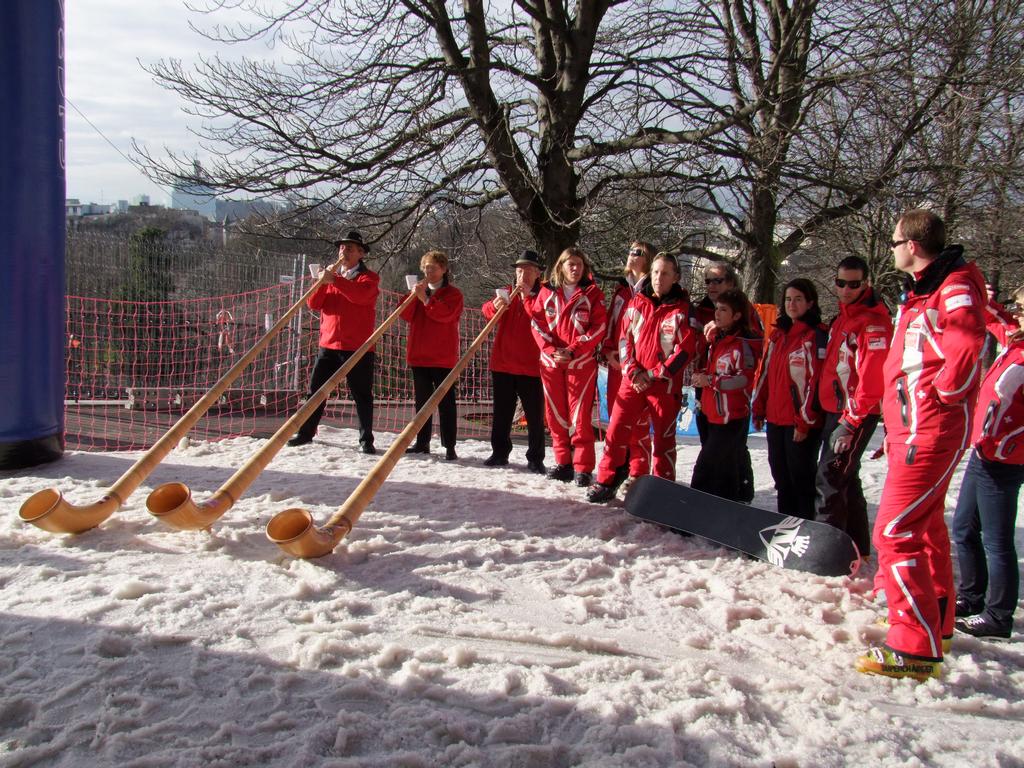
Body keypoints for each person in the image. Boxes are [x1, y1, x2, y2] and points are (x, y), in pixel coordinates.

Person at [855, 209, 987, 681]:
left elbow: (970, 339)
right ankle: (935, 623)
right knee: (926, 527)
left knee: (893, 532)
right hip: (911, 429)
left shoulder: (953, 285)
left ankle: (914, 644)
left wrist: (946, 395)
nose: (891, 250)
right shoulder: (925, 289)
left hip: (929, 430)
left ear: (912, 245)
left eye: (893, 242)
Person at [587, 254, 696, 503]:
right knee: (616, 430)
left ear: (676, 277)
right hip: (633, 380)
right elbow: (625, 340)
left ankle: (662, 490)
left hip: (663, 386)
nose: (659, 278)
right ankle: (606, 480)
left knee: (663, 439)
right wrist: (633, 371)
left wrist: (654, 374)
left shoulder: (683, 309)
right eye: (656, 272)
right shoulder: (637, 302)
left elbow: (685, 350)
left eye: (665, 273)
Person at [950, 289, 1024, 641]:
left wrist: (1007, 441)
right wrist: (985, 299)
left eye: (1023, 308)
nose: (1017, 314)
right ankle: (971, 596)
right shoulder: (1016, 342)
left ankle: (999, 614)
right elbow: (999, 321)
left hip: (1004, 461)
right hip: (983, 452)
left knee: (997, 541)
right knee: (963, 528)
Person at [814, 256, 892, 558]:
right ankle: (857, 543)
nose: (845, 289)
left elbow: (872, 382)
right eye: (841, 282)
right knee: (846, 476)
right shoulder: (845, 317)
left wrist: (851, 421)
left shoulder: (873, 323)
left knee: (829, 476)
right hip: (836, 409)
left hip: (855, 414)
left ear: (866, 283)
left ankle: (827, 550)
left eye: (854, 284)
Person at [288, 230, 380, 453]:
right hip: (329, 343)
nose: (344, 252)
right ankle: (306, 432)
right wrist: (321, 282)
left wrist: (335, 280)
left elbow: (360, 296)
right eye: (341, 248)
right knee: (316, 391)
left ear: (361, 253)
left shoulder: (369, 277)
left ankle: (366, 439)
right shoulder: (332, 277)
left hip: (358, 346)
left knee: (362, 395)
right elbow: (314, 304)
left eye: (349, 248)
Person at [526, 246, 607, 486]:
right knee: (555, 416)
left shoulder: (593, 294)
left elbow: (598, 328)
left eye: (579, 265)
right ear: (560, 266)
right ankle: (563, 463)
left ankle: (582, 467)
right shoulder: (546, 292)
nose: (575, 268)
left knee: (580, 417)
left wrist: (573, 350)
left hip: (580, 363)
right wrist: (551, 350)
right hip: (551, 362)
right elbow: (537, 324)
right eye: (570, 264)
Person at [751, 278, 827, 521]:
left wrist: (804, 422)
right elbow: (765, 374)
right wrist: (759, 407)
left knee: (800, 478)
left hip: (800, 423)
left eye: (798, 299)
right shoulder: (778, 334)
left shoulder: (815, 336)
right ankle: (786, 525)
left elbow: (815, 383)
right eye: (788, 299)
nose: (792, 304)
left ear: (810, 302)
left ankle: (806, 527)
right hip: (775, 417)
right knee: (781, 477)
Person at [693, 262, 760, 500]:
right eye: (708, 281)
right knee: (715, 454)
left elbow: (744, 373)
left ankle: (734, 495)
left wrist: (711, 380)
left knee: (719, 457)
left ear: (731, 283)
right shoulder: (703, 310)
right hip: (708, 401)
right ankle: (724, 496)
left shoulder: (744, 320)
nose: (711, 286)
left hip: (731, 408)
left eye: (717, 281)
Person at [481, 250, 546, 474]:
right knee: (501, 413)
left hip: (532, 365)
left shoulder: (544, 295)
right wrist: (495, 306)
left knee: (535, 415)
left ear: (538, 273)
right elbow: (486, 311)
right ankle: (499, 452)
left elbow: (543, 318)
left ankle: (536, 458)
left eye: (528, 270)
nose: (523, 275)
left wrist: (528, 297)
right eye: (519, 270)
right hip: (503, 363)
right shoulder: (507, 293)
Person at [401, 249, 465, 460]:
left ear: (444, 269)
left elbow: (446, 315)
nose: (429, 271)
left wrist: (426, 299)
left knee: (446, 403)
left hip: (443, 357)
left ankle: (450, 446)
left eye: (434, 268)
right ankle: (422, 442)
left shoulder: (453, 294)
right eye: (426, 267)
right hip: (419, 355)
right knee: (422, 403)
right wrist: (413, 297)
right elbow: (405, 315)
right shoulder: (418, 290)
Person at [600, 241, 654, 483]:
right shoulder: (621, 291)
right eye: (630, 250)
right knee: (616, 421)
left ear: (649, 259)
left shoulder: (652, 291)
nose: (632, 255)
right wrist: (608, 351)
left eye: (638, 252)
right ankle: (619, 469)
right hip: (617, 367)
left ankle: (639, 473)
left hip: (640, 369)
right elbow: (612, 325)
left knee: (639, 424)